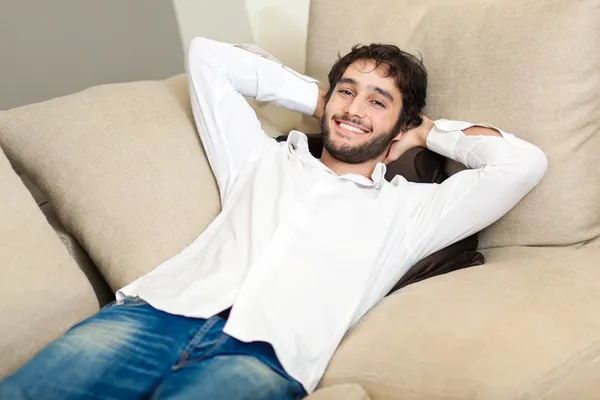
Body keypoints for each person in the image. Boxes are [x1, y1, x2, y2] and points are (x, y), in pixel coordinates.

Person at [0, 37, 547, 400]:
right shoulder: (259, 158)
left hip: (263, 359)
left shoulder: (411, 210)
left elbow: (523, 164)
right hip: (157, 315)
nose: (355, 107)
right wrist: (322, 99)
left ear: (399, 125)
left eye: (379, 102)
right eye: (347, 91)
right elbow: (208, 57)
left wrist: (423, 131)